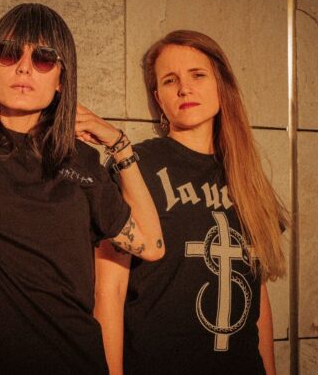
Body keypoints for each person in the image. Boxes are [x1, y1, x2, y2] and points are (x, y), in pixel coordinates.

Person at [0, 0, 163, 374]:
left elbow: (151, 244)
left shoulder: (79, 160)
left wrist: (119, 145)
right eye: (10, 53)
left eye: (45, 58)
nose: (24, 67)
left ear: (63, 79)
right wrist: (21, 51)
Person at [94, 30, 287, 375]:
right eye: (170, 80)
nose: (184, 89)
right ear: (158, 97)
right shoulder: (135, 167)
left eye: (198, 75)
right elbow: (109, 289)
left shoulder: (246, 175)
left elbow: (257, 294)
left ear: (221, 84)